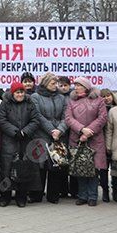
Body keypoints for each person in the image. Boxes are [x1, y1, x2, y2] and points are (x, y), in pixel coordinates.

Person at [0, 82, 42, 207]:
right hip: (9, 141)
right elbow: (1, 119)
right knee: (7, 169)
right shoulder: (5, 104)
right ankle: (5, 196)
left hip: (25, 141)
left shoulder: (30, 103)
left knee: (23, 169)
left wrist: (25, 131)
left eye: (22, 92)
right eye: (17, 92)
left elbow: (35, 119)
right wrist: (14, 132)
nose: (20, 94)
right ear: (12, 93)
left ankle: (21, 196)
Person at [65, 77, 107, 206]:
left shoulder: (98, 100)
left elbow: (102, 117)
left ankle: (92, 196)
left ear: (86, 86)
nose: (76, 88)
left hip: (94, 139)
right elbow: (68, 118)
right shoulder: (72, 101)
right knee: (80, 168)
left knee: (93, 170)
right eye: (75, 85)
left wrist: (89, 131)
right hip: (77, 138)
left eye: (79, 85)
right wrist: (82, 129)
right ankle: (82, 195)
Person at [30, 73, 68, 203]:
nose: (55, 86)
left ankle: (53, 196)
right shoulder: (36, 97)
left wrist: (60, 130)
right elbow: (38, 116)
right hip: (41, 135)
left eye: (56, 83)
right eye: (52, 83)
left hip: (58, 136)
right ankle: (37, 195)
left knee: (56, 165)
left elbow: (66, 116)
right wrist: (51, 130)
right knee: (40, 166)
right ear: (45, 83)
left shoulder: (61, 98)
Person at [98, 88, 116, 203]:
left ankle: (116, 191)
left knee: (115, 170)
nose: (106, 98)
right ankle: (105, 191)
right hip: (102, 142)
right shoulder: (99, 109)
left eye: (108, 95)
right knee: (103, 169)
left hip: (116, 142)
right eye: (104, 96)